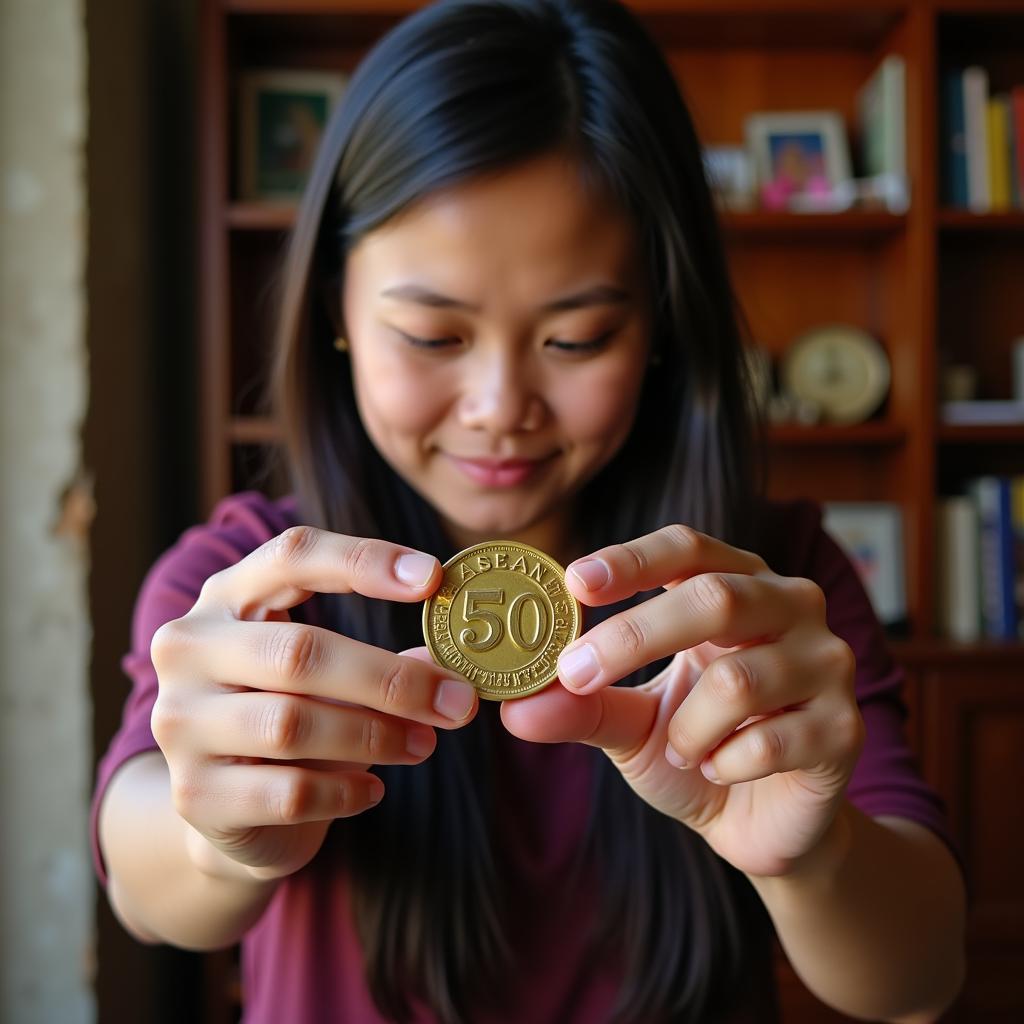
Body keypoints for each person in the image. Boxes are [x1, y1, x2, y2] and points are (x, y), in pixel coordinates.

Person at [92, 1, 967, 1022]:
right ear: (335, 308)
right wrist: (216, 836)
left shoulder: (766, 586)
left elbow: (919, 978)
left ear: (659, 326)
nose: (499, 407)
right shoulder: (245, 578)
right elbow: (147, 886)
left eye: (578, 337)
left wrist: (811, 858)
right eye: (430, 334)